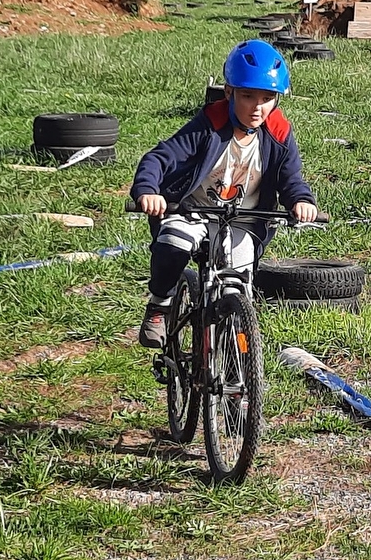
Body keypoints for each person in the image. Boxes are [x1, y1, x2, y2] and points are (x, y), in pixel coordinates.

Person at [130, 40, 318, 348]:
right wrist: (148, 190)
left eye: (268, 97)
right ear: (229, 92)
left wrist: (301, 200)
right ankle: (159, 304)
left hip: (245, 219)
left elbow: (291, 177)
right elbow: (160, 158)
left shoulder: (279, 133)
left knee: (238, 289)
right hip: (193, 210)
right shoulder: (209, 125)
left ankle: (239, 367)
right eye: (247, 96)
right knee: (173, 243)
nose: (257, 106)